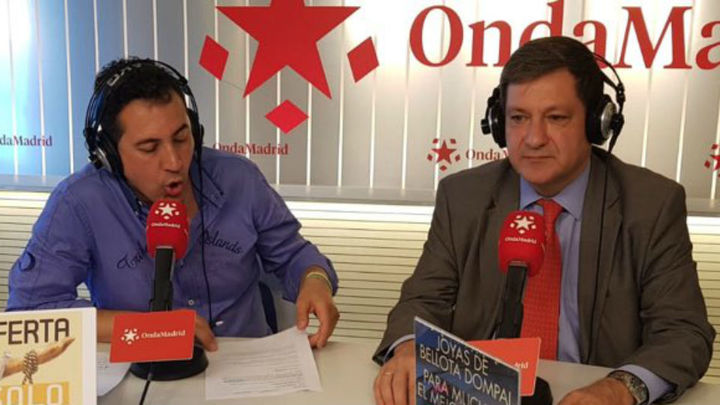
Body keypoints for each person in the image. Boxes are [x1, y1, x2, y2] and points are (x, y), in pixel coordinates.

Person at [373, 37, 714, 405]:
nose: (534, 139)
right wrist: (410, 348)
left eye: (556, 118)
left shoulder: (650, 205)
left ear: (597, 123)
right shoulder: (463, 197)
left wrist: (619, 389)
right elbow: (422, 300)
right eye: (518, 118)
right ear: (498, 123)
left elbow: (683, 332)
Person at [6, 58, 340, 351]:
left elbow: (293, 255)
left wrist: (315, 280)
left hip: (243, 368)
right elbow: (30, 312)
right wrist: (150, 330)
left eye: (181, 138)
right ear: (109, 155)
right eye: (149, 148)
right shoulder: (79, 203)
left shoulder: (239, 179)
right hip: (142, 375)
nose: (175, 161)